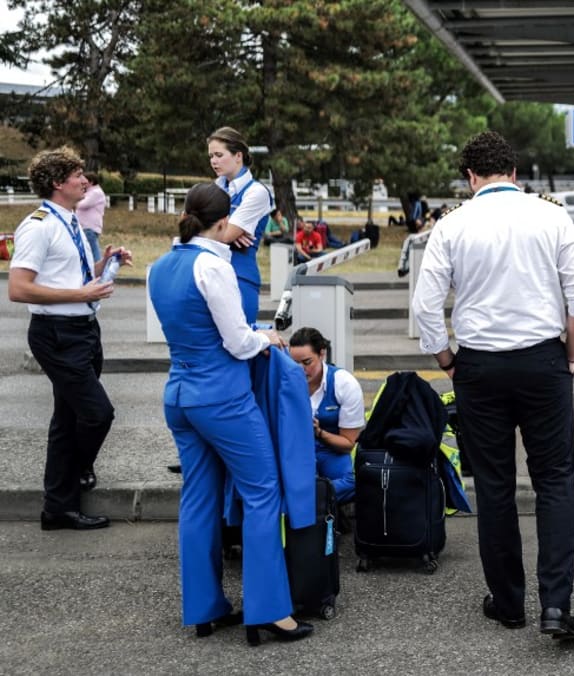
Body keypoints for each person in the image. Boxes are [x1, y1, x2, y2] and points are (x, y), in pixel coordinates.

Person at [412, 131, 574, 642]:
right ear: (514, 173)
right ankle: (556, 606)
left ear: (470, 178)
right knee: (555, 481)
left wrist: (447, 359)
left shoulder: (451, 225)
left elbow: (425, 307)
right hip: (543, 361)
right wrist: (572, 354)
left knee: (494, 486)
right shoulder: (552, 215)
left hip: (479, 366)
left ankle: (509, 603)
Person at [148, 182, 312, 645]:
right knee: (263, 492)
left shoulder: (161, 266)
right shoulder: (212, 266)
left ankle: (204, 607)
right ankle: (269, 611)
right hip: (221, 397)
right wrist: (268, 338)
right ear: (223, 223)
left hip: (178, 393)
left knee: (198, 498)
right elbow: (238, 342)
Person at [8, 147, 131, 531]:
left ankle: (58, 507)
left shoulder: (71, 220)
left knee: (68, 419)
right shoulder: (39, 225)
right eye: (78, 175)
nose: (85, 180)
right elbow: (18, 288)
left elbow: (65, 275)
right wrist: (81, 295)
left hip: (83, 331)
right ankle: (73, 475)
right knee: (97, 413)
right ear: (58, 183)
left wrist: (104, 264)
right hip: (56, 334)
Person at [289, 327, 364, 504]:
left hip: (330, 450)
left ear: (322, 354)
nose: (301, 370)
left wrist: (319, 433)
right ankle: (319, 500)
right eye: (294, 363)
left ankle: (306, 499)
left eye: (307, 362)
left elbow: (347, 444)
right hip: (295, 451)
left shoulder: (344, 384)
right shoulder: (284, 381)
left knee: (356, 482)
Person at [208, 126, 273, 324]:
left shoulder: (256, 192)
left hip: (239, 278)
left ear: (238, 156)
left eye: (219, 155)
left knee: (240, 347)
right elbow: (185, 224)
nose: (213, 161)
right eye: (211, 156)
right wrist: (223, 232)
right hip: (210, 275)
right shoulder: (214, 187)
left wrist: (207, 228)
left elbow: (226, 235)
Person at [76, 171, 107, 263]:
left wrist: (72, 201)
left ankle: (100, 272)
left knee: (93, 253)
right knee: (89, 251)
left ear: (91, 182)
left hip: (89, 227)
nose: (82, 184)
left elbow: (83, 204)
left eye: (84, 182)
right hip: (85, 226)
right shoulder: (90, 192)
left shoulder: (95, 193)